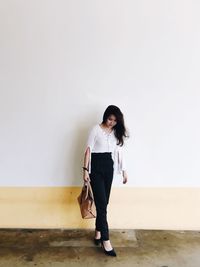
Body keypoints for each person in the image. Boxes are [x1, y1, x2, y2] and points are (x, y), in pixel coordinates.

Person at [82, 105, 129, 257]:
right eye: (110, 119)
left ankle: (97, 232)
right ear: (105, 116)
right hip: (95, 167)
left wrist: (124, 170)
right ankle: (105, 240)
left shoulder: (115, 132)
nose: (111, 123)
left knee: (104, 203)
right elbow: (88, 149)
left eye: (115, 120)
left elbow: (119, 151)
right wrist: (85, 170)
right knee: (102, 204)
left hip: (109, 167)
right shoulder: (95, 129)